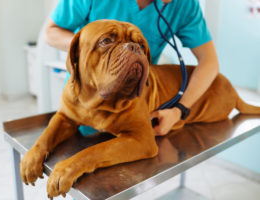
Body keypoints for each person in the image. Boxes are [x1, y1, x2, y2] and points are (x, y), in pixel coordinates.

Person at [45, 0, 219, 136]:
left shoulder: (185, 4)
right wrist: (87, 45)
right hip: (82, 102)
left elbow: (209, 62)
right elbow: (51, 32)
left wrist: (179, 110)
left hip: (131, 108)